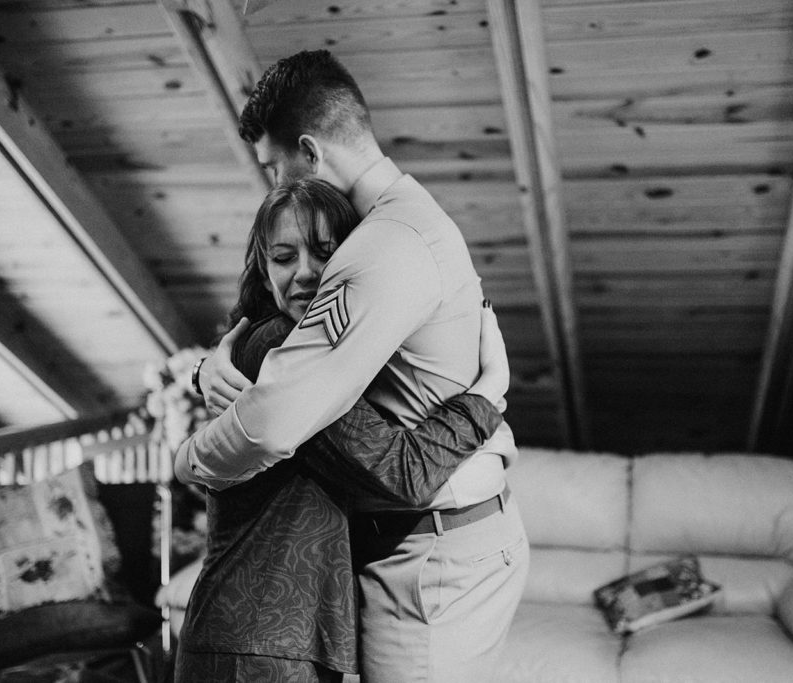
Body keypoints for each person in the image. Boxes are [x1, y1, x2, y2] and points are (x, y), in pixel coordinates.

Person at [177, 50, 529, 681]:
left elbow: (273, 424)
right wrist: (215, 367)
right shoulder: (404, 221)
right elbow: (283, 353)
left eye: (274, 165)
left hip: (437, 547)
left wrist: (191, 460)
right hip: (426, 544)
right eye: (283, 255)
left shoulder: (382, 245)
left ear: (309, 151)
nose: (276, 183)